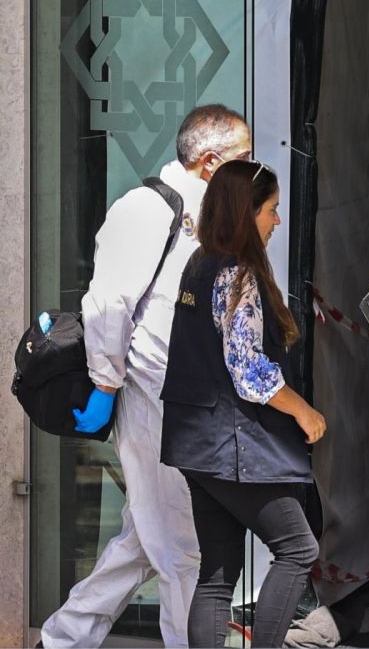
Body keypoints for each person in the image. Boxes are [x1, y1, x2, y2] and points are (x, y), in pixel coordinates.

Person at [40, 104, 252, 648]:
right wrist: (105, 386)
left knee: (143, 540)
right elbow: (109, 305)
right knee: (182, 547)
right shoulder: (146, 210)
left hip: (188, 402)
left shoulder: (208, 217)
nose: (253, 172)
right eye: (245, 159)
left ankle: (63, 638)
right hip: (151, 398)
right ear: (211, 161)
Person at [158, 159, 326, 647]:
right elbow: (248, 370)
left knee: (217, 571)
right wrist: (303, 410)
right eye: (272, 210)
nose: (278, 220)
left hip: (196, 443)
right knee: (297, 550)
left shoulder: (199, 264)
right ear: (246, 212)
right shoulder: (237, 275)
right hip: (235, 446)